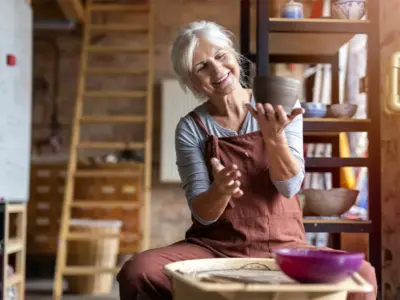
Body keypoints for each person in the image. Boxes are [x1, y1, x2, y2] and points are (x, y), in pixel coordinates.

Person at [117, 21, 377, 300]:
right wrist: (220, 191)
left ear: (233, 54)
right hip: (215, 247)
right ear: (192, 82)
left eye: (220, 56)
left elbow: (290, 187)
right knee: (139, 271)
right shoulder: (191, 128)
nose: (217, 70)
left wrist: (274, 138)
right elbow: (203, 214)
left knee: (362, 275)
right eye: (202, 67)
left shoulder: (278, 105)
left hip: (284, 246)